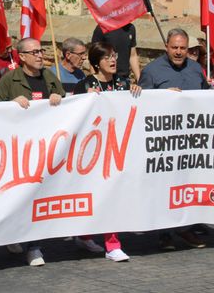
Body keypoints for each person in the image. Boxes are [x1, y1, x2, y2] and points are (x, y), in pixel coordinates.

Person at [138, 29, 214, 249]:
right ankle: (164, 233)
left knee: (188, 184)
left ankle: (186, 227)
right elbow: (141, 105)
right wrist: (163, 97)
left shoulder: (196, 69)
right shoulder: (151, 71)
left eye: (183, 48)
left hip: (192, 141)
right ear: (166, 47)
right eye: (174, 47)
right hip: (163, 143)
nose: (178, 52)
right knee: (164, 186)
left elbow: (207, 97)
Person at [0, 38, 64, 266]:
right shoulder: (9, 79)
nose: (40, 55)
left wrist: (59, 98)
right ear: (21, 56)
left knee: (38, 197)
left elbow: (69, 105)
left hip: (45, 148)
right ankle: (13, 234)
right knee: (18, 198)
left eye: (41, 51)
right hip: (18, 149)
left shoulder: (49, 77)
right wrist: (11, 103)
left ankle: (34, 247)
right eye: (34, 52)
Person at [72, 41, 140, 262]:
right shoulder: (85, 85)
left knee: (112, 195)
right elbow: (72, 115)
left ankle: (107, 243)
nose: (112, 60)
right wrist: (84, 99)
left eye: (114, 56)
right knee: (98, 195)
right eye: (106, 57)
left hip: (118, 149)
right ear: (96, 62)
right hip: (94, 151)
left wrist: (138, 92)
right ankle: (98, 240)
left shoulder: (123, 83)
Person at [91, 22, 141, 87]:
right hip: (106, 78)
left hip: (124, 78)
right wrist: (94, 81)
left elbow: (133, 55)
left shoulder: (130, 28)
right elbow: (94, 55)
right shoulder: (102, 27)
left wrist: (139, 79)